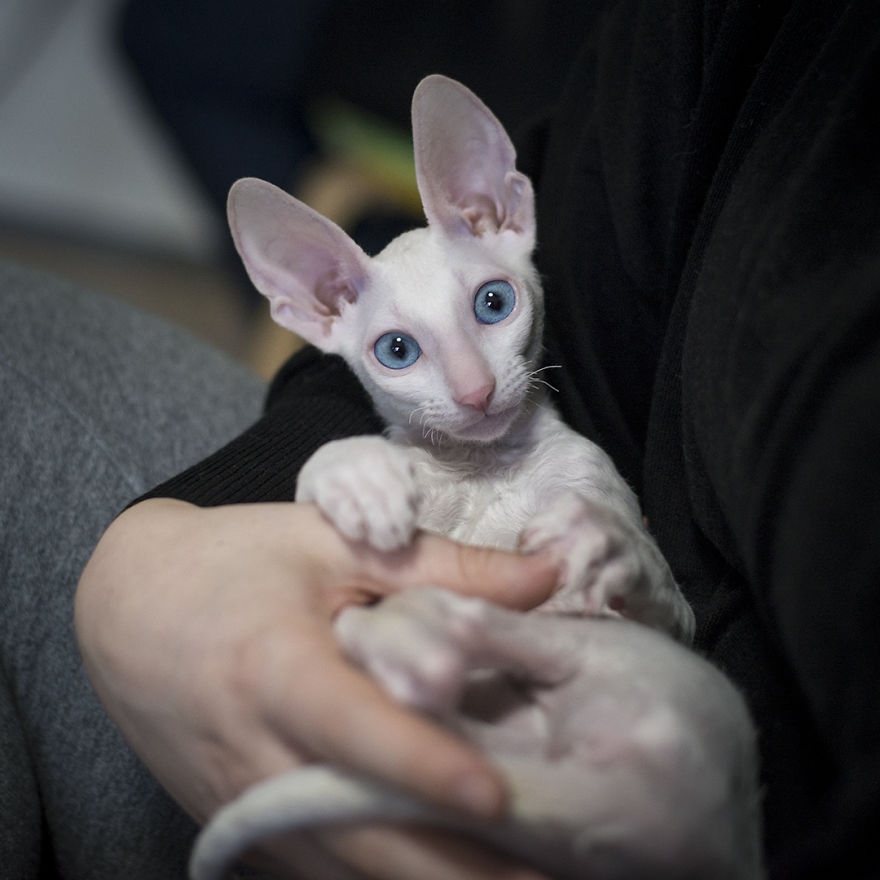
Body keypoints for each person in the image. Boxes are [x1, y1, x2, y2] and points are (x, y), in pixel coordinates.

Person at [3, 0, 878, 877]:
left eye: (492, 307)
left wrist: (620, 571)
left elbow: (670, 627)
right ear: (318, 313)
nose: (471, 384)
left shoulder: (575, 467)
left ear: (508, 211)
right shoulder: (699, 66)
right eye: (399, 352)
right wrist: (253, 510)